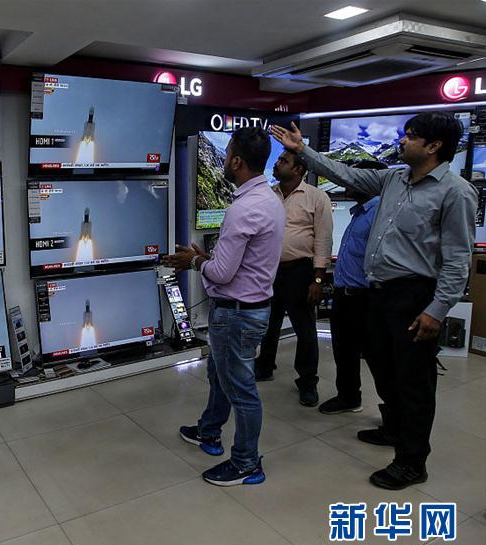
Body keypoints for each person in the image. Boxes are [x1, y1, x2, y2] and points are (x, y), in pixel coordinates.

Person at [271, 113, 476, 490]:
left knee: (414, 381)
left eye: (411, 136)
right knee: (384, 369)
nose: (403, 141)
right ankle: (393, 429)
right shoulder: (395, 179)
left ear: (433, 146)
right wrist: (304, 151)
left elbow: (457, 259)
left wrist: (436, 310)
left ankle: (412, 462)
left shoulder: (455, 192)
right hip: (378, 294)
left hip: (415, 296)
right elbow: (345, 174)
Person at [163, 126, 285, 487]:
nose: (225, 159)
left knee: (241, 389)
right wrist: (207, 258)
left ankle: (246, 462)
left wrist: (194, 262)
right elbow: (240, 262)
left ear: (236, 161)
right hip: (251, 307)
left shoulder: (242, 209)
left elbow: (222, 272)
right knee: (220, 374)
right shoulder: (270, 199)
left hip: (236, 313)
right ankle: (209, 430)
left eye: (229, 152)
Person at [255, 150, 333, 408]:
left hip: (300, 271)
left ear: (299, 169)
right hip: (269, 270)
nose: (277, 164)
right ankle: (264, 365)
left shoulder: (317, 197)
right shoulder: (269, 194)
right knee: (268, 322)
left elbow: (323, 239)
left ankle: (308, 381)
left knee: (305, 330)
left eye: (283, 161)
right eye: (277, 160)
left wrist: (318, 280)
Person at [318, 160, 392, 415]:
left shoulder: (379, 214)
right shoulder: (360, 212)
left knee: (377, 357)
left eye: (356, 178)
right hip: (345, 295)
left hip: (365, 298)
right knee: (344, 351)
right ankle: (348, 396)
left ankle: (394, 416)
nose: (349, 182)